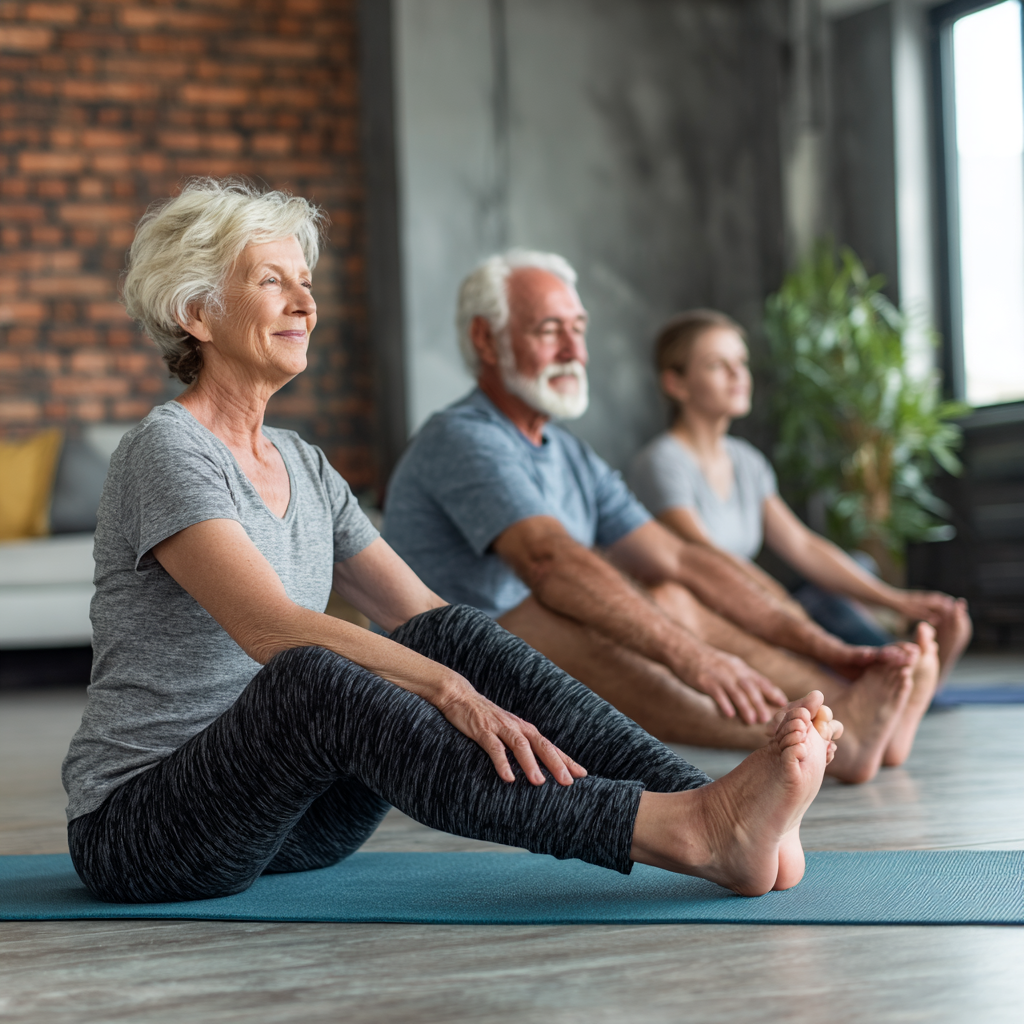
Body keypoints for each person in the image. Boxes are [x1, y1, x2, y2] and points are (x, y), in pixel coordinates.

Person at [60, 179, 842, 906]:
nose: (305, 302)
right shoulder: (166, 450)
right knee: (315, 674)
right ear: (195, 312)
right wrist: (446, 690)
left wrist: (455, 667)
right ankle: (676, 832)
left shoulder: (302, 461)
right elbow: (271, 629)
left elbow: (425, 615)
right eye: (273, 281)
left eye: (306, 282)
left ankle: (710, 805)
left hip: (292, 821)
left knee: (454, 628)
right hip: (153, 831)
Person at [382, 250, 938, 784]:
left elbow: (682, 559)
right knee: (548, 608)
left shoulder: (568, 452)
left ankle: (843, 721)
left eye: (579, 328)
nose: (575, 349)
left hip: (519, 655)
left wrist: (827, 647)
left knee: (670, 592)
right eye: (550, 331)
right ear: (486, 338)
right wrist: (693, 658)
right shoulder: (462, 436)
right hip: (446, 674)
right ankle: (814, 738)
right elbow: (550, 561)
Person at [626, 309, 972, 677]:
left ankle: (905, 669)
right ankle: (904, 670)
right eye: (717, 365)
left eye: (740, 362)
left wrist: (897, 600)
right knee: (819, 609)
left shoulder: (747, 461)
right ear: (676, 384)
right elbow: (702, 553)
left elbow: (801, 545)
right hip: (706, 618)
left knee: (854, 568)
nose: (738, 375)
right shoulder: (661, 462)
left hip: (754, 603)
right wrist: (783, 609)